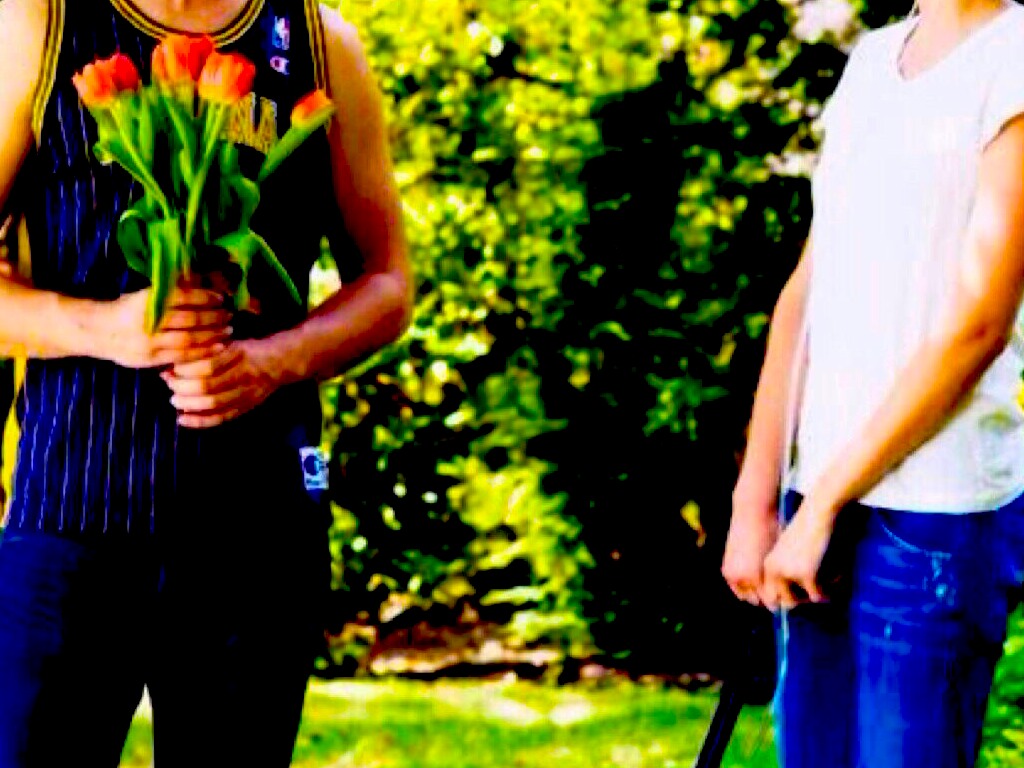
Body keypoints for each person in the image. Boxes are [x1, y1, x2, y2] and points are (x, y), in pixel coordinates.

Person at [0, 0, 413, 765]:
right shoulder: (37, 25)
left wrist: (274, 361)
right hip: (67, 523)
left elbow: (388, 282)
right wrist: (105, 329)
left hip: (258, 533)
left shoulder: (321, 43)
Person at [722, 0, 1024, 765]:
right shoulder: (871, 62)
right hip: (814, 511)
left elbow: (979, 326)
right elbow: (806, 292)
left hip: (931, 516)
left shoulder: (1014, 57)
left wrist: (823, 504)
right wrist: (756, 500)